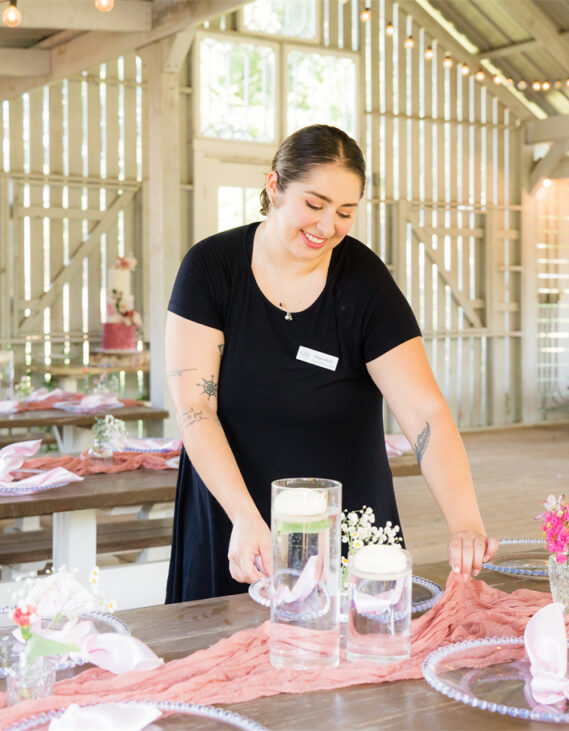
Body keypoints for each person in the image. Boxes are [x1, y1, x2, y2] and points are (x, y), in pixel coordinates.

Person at [164, 124, 497, 603]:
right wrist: (244, 517)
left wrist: (465, 520)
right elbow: (196, 406)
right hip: (237, 517)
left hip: (348, 522)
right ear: (274, 186)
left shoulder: (364, 281)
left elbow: (425, 412)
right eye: (314, 205)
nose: (327, 227)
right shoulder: (211, 268)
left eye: (345, 212)